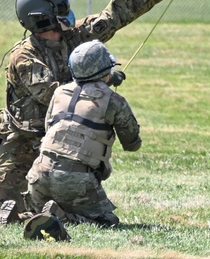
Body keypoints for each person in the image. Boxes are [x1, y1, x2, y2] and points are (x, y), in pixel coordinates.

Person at [0, 0, 190, 223]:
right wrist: (102, 79)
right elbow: (55, 94)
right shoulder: (24, 57)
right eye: (61, 9)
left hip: (65, 142)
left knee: (68, 200)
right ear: (43, 18)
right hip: (25, 140)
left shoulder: (74, 37)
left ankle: (57, 213)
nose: (69, 13)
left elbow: (116, 14)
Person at [25, 40, 141, 228]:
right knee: (107, 222)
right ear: (105, 68)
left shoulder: (59, 92)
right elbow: (132, 143)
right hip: (76, 179)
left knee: (43, 207)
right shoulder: (114, 101)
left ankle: (26, 213)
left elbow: (49, 127)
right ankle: (63, 217)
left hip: (39, 174)